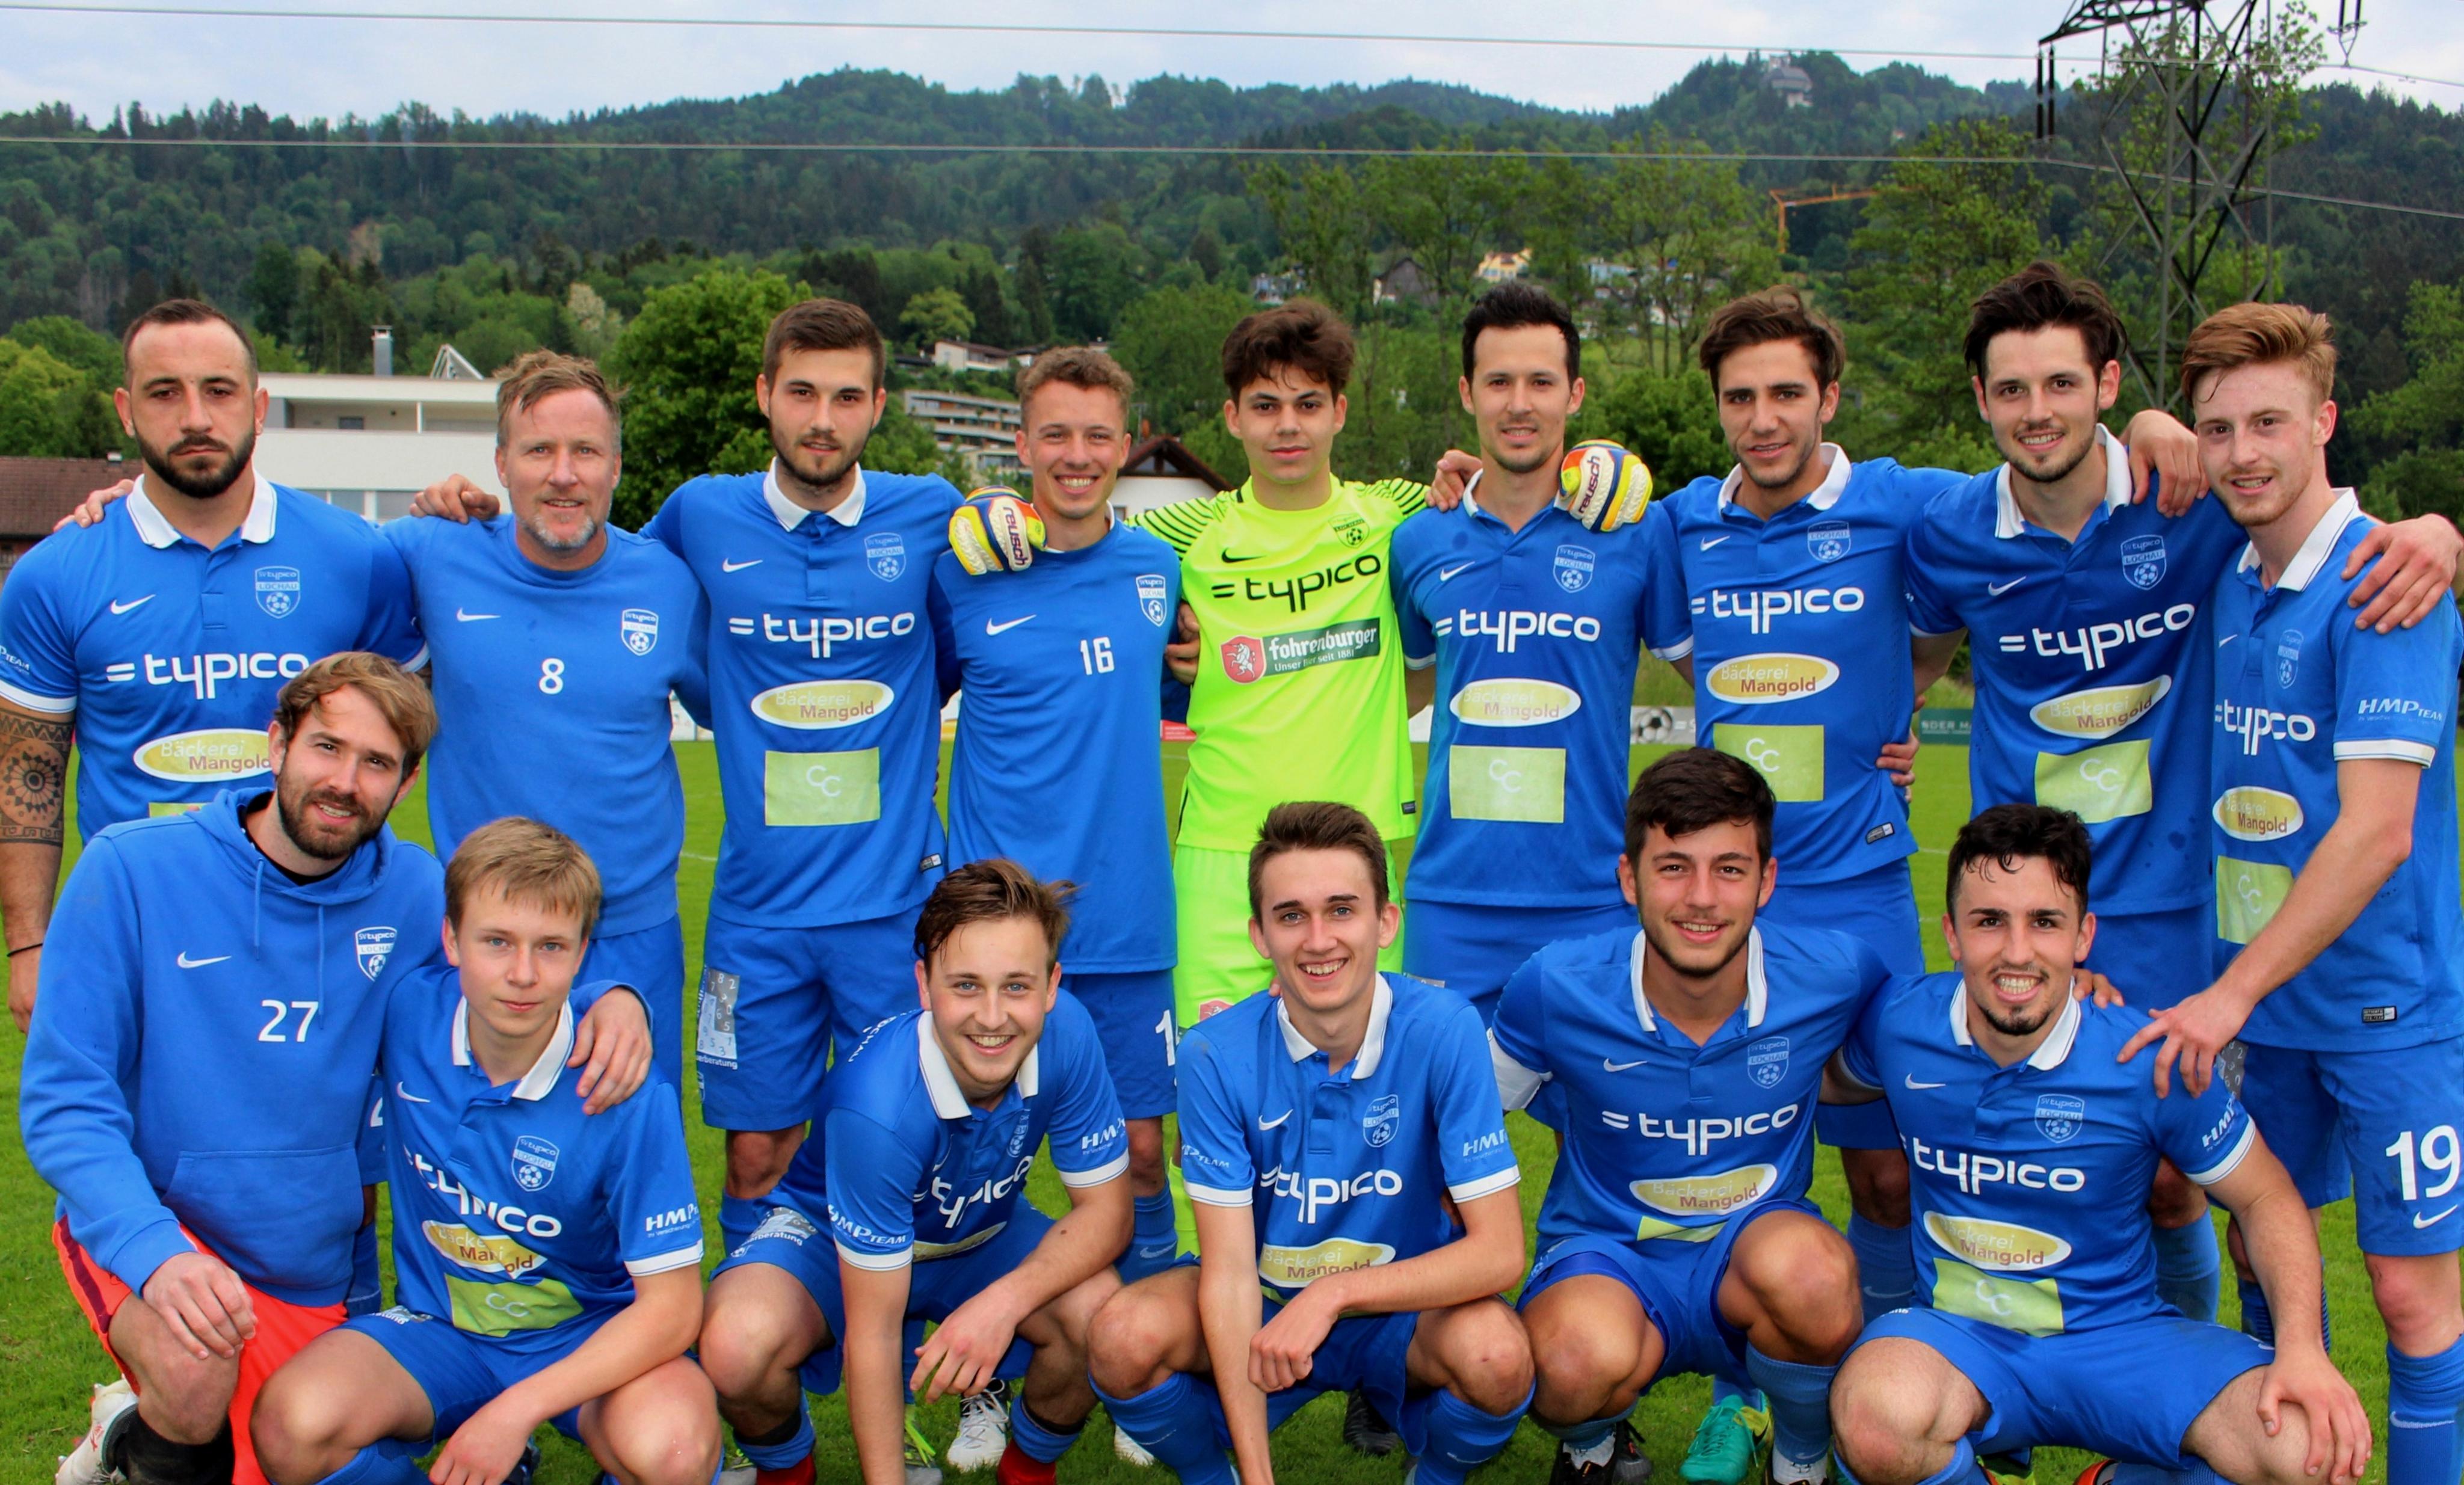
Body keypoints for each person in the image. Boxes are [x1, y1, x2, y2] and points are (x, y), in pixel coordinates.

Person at [1902, 263, 2464, 1328]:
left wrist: (2438, 533)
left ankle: (2184, 1381)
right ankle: (2071, 1376)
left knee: (2181, 1181)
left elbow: (2318, 520)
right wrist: (1892, 732)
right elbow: (1914, 657)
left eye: (2062, 383)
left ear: (2108, 385)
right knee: (2046, 1156)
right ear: (1980, 398)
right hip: (2031, 903)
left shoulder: (2197, 511)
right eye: (2012, 388)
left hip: (2188, 922)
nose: (2037, 410)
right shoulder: (1952, 529)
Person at [408, 298, 961, 1264]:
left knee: (906, 1139)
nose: (822, 418)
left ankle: (899, 1322)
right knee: (748, 1153)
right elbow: (592, 568)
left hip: (886, 901)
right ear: (764, 395)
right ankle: (748, 1322)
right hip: (753, 911)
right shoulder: (698, 518)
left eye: (846, 397)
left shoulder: (931, 514)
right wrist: (456, 506)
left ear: (879, 405)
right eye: (801, 392)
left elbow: (967, 649)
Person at [21, 654, 650, 1485]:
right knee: (194, 1367)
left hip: (308, 1259)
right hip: (162, 1228)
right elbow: (66, 1101)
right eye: (327, 747)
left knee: (319, 1450)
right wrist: (155, 1251)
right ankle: (150, 1431)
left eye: (376, 762)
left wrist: (612, 997)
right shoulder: (131, 868)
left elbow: (507, 958)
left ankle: (129, 1427)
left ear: (407, 782)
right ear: (277, 744)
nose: (345, 782)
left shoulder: (415, 890)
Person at [2121, 302, 2464, 1485]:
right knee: (2271, 1279)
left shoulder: (2384, 583)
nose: (2241, 452)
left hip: (2383, 1013)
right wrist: (2154, 421)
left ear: (2324, 422)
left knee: (2408, 1300)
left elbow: (2375, 834)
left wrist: (2227, 993)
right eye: (2217, 428)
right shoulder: (2231, 569)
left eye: (2268, 421)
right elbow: (2125, 443)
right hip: (2265, 1022)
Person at [1827, 804, 2370, 1485]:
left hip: (2120, 1339)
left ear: (2083, 936)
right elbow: (1812, 1081)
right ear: (1952, 934)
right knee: (1873, 1420)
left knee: (2309, 1452)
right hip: (1959, 1341)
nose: (2016, 952)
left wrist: (2302, 1350)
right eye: (1990, 921)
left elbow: (2265, 1197)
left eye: (2044, 922)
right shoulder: (1899, 1024)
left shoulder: (2145, 1057)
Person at [0, 297, 424, 1033]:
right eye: (165, 393)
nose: (195, 417)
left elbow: (416, 724)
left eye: (219, 391)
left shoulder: (358, 558)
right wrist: (30, 946)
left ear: (258, 406)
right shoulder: (55, 575)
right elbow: (28, 771)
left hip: (320, 928)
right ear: (126, 411)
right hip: (136, 932)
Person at [249, 817, 713, 1485]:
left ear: (582, 953)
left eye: (550, 947)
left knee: (674, 1450)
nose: (522, 974)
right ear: (451, 939)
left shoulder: (624, 1087)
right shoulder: (407, 1013)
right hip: (439, 1330)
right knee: (293, 1422)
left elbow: (674, 1308)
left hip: (588, 1333)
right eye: (497, 942)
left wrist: (513, 1412)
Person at [1088, 801, 1532, 1485]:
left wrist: (1332, 1296)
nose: (1319, 939)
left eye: (1342, 910)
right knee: (1122, 1336)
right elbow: (1229, 1273)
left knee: (1498, 1357)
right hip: (1264, 1302)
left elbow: (1500, 1252)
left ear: (1386, 922)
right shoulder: (1214, 1053)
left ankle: (1435, 1476)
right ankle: (1216, 1477)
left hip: (1404, 1310)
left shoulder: (1445, 1028)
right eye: (1291, 915)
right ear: (1260, 935)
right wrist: (1257, 1477)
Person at [1492, 748, 1889, 1485]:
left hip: (1756, 1251)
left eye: (1729, 869)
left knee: (1813, 1279)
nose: (1702, 898)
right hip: (1609, 1254)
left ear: (1766, 880)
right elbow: (1463, 1113)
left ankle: (1801, 1456)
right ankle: (1594, 1446)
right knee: (1568, 1365)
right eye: (1673, 867)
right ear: (1629, 879)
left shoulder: (1839, 974)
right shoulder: (1553, 987)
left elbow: (1944, 1038)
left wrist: (2070, 997)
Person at [928, 346, 1181, 1465]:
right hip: (992, 937)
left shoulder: (1159, 568)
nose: (1077, 455)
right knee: (972, 1167)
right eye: (1055, 434)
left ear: (1125, 446)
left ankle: (1144, 1369)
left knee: (1140, 1155)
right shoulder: (959, 569)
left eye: (1097, 435)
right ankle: (987, 1380)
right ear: (1021, 443)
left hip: (1125, 924)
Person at [697, 859, 1132, 1485]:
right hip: (829, 1237)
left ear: (1051, 986)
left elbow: (1109, 1214)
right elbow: (872, 1333)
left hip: (978, 1235)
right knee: (736, 1344)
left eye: (1016, 986)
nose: (992, 1017)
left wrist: (1002, 1302)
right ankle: (788, 1470)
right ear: (924, 985)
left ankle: (1027, 1470)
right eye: (966, 986)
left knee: (1104, 1318)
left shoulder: (1069, 1032)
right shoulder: (877, 1104)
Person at [383, 351, 709, 1092]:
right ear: (501, 464)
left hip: (630, 936)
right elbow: (306, 556)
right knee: (479, 1141)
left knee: (626, 1137)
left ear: (616, 466)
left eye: (585, 451)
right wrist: (134, 504)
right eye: (538, 451)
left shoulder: (670, 583)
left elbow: (738, 707)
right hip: (489, 938)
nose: (563, 475)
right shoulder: (432, 553)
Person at [1387, 282, 1659, 1027]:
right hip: (1450, 901)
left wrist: (1880, 726)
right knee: (1438, 1104)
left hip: (1591, 898)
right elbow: (1401, 692)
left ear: (1575, 394)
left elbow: (1717, 669)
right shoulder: (1418, 540)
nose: (1518, 405)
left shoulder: (1635, 531)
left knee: (1602, 1105)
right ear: (1467, 392)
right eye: (1498, 382)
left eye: (1540, 382)